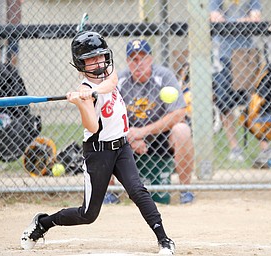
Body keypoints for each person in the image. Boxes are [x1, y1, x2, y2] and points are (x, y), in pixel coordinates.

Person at [20, 31, 175, 255]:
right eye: (90, 59)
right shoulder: (86, 92)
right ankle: (43, 223)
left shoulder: (107, 77)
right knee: (88, 215)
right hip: (98, 153)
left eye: (100, 56)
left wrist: (91, 90)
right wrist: (81, 103)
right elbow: (92, 127)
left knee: (138, 191)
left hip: (121, 147)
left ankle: (164, 239)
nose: (98, 62)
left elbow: (111, 83)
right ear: (80, 64)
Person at [104, 39, 195, 205]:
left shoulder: (164, 76)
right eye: (133, 59)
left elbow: (179, 113)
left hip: (161, 137)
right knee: (103, 133)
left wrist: (143, 132)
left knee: (182, 130)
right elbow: (109, 116)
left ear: (151, 59)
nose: (138, 64)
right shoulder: (120, 81)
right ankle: (110, 193)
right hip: (128, 136)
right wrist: (130, 136)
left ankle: (185, 190)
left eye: (142, 58)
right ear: (127, 62)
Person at [209, 0, 271, 165]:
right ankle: (235, 149)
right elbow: (215, 18)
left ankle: (265, 147)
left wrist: (231, 23)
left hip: (246, 56)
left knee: (253, 103)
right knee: (225, 105)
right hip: (223, 56)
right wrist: (242, 21)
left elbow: (255, 18)